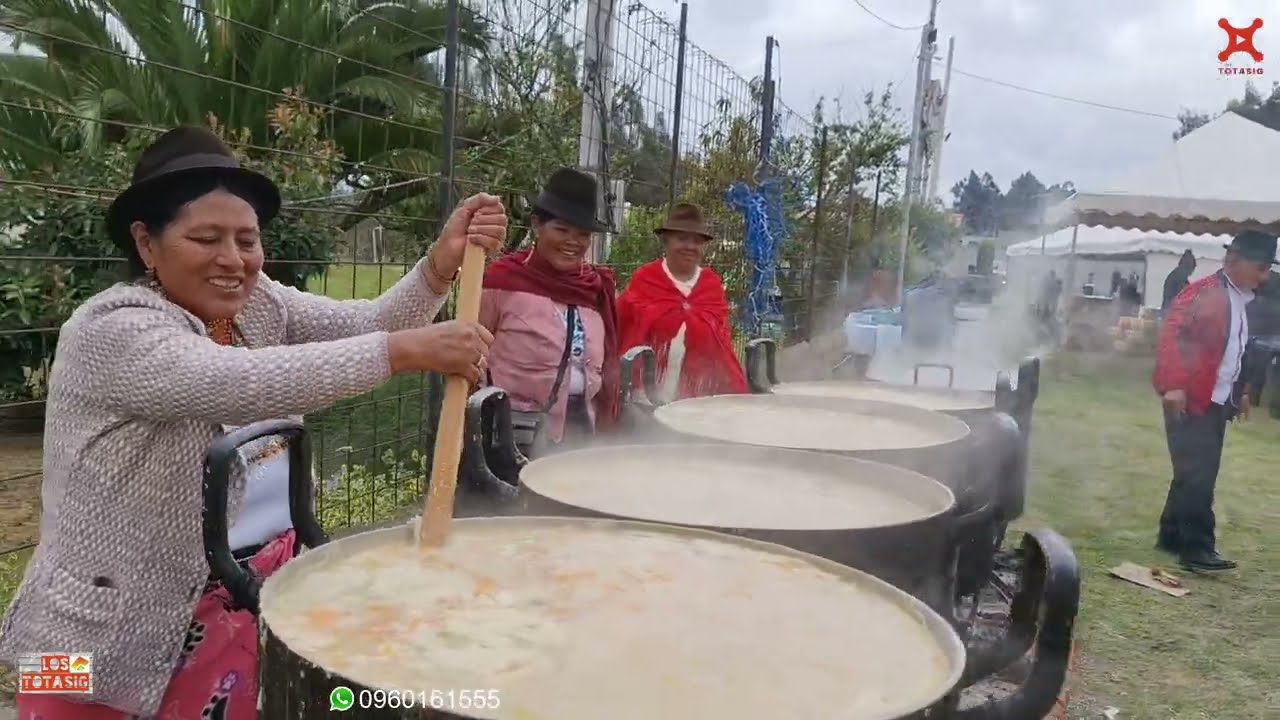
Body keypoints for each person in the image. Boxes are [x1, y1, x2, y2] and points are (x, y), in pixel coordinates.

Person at [0, 126, 506, 720]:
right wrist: (402, 351)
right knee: (60, 706)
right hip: (98, 626)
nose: (233, 260)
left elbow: (366, 322)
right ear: (146, 242)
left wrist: (437, 268)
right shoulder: (109, 329)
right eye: (206, 238)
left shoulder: (258, 302)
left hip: (239, 605)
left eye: (247, 239)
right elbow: (233, 381)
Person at [1152, 230, 1275, 572]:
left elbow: (1238, 350)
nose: (1264, 277)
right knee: (1199, 475)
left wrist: (1243, 392)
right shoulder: (1203, 293)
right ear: (1234, 260)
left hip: (1216, 401)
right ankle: (1198, 549)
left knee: (1191, 472)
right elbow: (1171, 337)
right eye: (1261, 268)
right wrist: (1175, 386)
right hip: (1191, 399)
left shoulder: (1241, 298)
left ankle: (1171, 536)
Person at [479, 168, 620, 456]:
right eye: (562, 229)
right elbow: (470, 355)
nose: (573, 241)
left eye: (582, 234)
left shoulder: (594, 288)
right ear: (537, 225)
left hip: (582, 429)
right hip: (514, 430)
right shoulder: (502, 282)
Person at [616, 203, 748, 402]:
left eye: (697, 241)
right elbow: (623, 329)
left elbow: (721, 344)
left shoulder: (710, 285)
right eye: (682, 239)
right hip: (644, 397)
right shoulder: (646, 278)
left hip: (697, 398)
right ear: (666, 241)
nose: (690, 247)